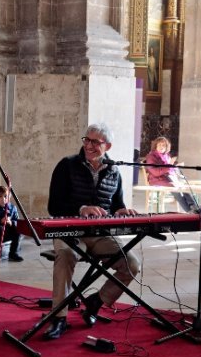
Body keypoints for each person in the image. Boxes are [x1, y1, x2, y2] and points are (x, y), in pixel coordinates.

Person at [43, 122, 140, 339]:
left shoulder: (114, 171)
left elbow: (115, 204)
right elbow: (54, 206)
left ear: (108, 146)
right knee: (66, 254)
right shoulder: (66, 165)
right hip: (69, 231)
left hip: (99, 233)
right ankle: (58, 318)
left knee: (131, 264)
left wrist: (122, 210)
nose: (89, 145)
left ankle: (97, 301)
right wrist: (81, 209)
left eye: (95, 142)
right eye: (87, 139)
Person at [144, 136, 197, 213]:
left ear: (167, 147)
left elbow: (170, 169)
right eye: (160, 145)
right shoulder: (151, 156)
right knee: (175, 187)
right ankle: (189, 211)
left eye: (164, 145)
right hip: (156, 180)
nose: (162, 147)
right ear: (156, 146)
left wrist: (176, 166)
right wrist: (170, 166)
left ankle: (194, 207)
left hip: (167, 178)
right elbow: (156, 172)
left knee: (184, 186)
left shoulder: (166, 156)